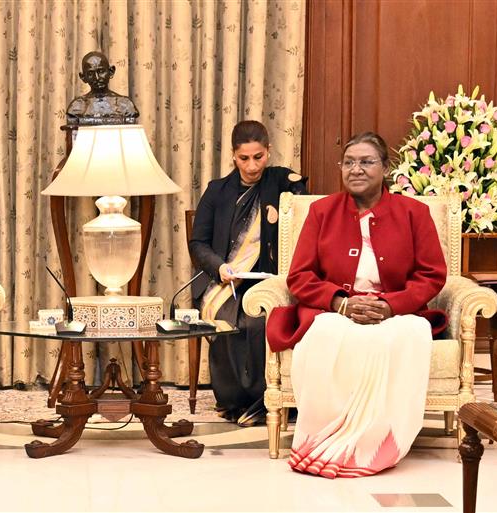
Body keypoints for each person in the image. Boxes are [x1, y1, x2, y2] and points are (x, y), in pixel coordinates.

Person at [267, 132, 447, 478]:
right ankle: (323, 441)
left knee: (408, 335)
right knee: (326, 335)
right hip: (335, 310)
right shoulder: (322, 212)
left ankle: (376, 445)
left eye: (366, 161)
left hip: (396, 312)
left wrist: (391, 306)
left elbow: (432, 275)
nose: (356, 169)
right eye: (349, 162)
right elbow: (300, 276)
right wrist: (340, 303)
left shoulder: (414, 213)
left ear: (385, 167)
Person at [189, 120, 307, 426]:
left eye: (259, 157)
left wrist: (285, 204)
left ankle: (267, 399)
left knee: (259, 321)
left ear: (268, 151)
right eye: (244, 158)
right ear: (233, 156)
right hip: (224, 280)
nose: (252, 165)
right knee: (230, 321)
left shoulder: (281, 181)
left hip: (268, 280)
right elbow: (198, 242)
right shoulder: (217, 191)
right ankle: (232, 401)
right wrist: (219, 267)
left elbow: (303, 208)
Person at [66, 51, 139, 125]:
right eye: (90, 73)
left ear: (111, 71)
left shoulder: (125, 105)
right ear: (83, 77)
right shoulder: (77, 107)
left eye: (101, 71)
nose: (97, 78)